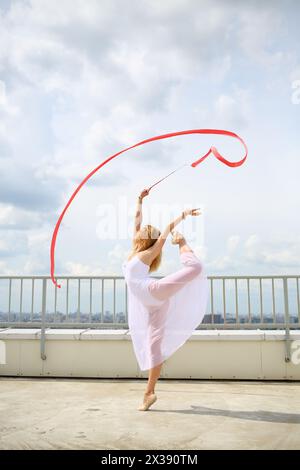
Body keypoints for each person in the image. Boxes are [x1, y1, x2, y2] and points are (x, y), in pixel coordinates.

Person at [122, 188, 208, 411]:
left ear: (147, 240)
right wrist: (139, 199)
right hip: (150, 304)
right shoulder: (135, 249)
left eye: (144, 233)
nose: (139, 233)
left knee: (195, 268)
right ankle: (149, 393)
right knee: (153, 347)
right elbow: (137, 221)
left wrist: (184, 214)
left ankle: (183, 244)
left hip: (153, 292)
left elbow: (167, 229)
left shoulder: (147, 253)